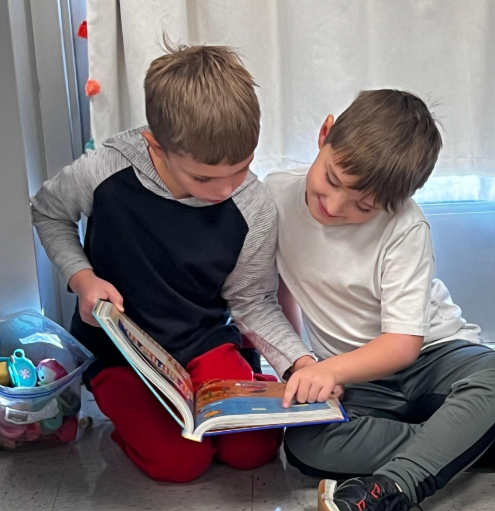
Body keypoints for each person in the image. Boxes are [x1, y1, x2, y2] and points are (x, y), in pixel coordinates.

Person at [265, 89, 495, 511]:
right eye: (333, 178)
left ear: (396, 200)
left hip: (433, 359)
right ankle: (483, 444)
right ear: (325, 135)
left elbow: (404, 345)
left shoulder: (406, 226)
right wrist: (300, 366)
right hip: (356, 378)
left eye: (363, 206)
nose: (337, 204)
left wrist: (330, 371)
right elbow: (280, 288)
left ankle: (384, 497)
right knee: (306, 446)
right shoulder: (275, 196)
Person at [31, 43, 318, 482]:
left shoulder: (253, 205)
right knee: (179, 464)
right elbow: (49, 211)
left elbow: (253, 302)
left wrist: (300, 362)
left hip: (202, 341)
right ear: (156, 147)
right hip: (120, 352)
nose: (225, 189)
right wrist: (82, 277)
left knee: (254, 448)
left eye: (241, 169)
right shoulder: (105, 169)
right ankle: (136, 431)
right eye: (204, 177)